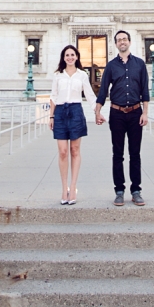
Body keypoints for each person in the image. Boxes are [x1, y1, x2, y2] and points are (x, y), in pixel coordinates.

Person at [94, 30, 149, 205]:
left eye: (124, 39)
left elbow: (145, 91)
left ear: (129, 42)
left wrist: (145, 113)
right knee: (117, 153)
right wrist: (97, 111)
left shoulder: (140, 65)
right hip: (116, 113)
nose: (122, 42)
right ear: (116, 44)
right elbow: (103, 91)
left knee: (135, 153)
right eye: (119, 40)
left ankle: (136, 190)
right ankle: (119, 190)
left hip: (135, 113)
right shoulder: (111, 66)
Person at [50, 44, 96, 205]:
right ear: (63, 58)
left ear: (77, 57)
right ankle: (64, 189)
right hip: (61, 112)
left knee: (74, 150)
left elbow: (89, 95)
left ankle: (73, 187)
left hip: (76, 111)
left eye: (72, 55)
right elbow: (53, 96)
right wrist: (51, 117)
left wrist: (97, 111)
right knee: (62, 152)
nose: (70, 57)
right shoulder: (58, 75)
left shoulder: (82, 75)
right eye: (67, 55)